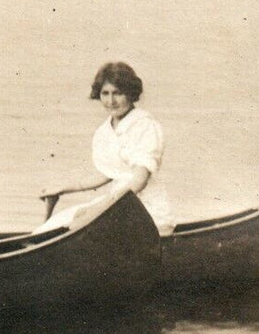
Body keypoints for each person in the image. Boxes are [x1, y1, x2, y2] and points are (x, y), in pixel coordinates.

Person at [37, 61, 172, 234]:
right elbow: (107, 172)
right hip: (117, 204)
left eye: (118, 93)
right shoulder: (105, 131)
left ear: (131, 93)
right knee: (51, 227)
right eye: (105, 93)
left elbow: (139, 180)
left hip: (146, 211)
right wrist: (62, 188)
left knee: (78, 227)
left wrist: (102, 206)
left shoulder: (144, 126)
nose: (111, 101)